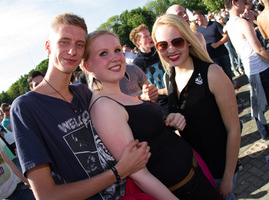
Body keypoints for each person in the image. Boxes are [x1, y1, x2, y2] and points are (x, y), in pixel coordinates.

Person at [10, 13, 150, 200]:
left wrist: (154, 109)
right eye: (64, 42)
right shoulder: (26, 108)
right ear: (48, 46)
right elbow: (46, 195)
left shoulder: (83, 93)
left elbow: (118, 124)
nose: (72, 51)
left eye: (79, 44)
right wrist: (118, 172)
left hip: (130, 192)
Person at [82, 29, 223, 200]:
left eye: (117, 50)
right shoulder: (104, 106)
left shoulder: (117, 94)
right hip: (182, 191)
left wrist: (167, 122)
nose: (115, 57)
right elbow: (138, 174)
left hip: (194, 176)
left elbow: (146, 133)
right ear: (88, 66)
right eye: (103, 53)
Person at [151, 14, 241, 200]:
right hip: (195, 171)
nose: (171, 50)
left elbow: (234, 129)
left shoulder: (212, 74)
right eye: (163, 45)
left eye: (177, 42)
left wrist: (227, 178)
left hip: (219, 171)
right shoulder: (170, 76)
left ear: (189, 41)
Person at [225, 0, 269, 141]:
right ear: (234, 2)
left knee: (257, 102)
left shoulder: (229, 25)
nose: (246, 4)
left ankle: (264, 132)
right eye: (243, 1)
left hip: (250, 68)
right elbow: (258, 48)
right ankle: (264, 132)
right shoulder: (240, 23)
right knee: (259, 101)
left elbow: (239, 49)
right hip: (260, 67)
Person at [130, 24, 169, 117]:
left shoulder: (159, 51)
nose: (150, 37)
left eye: (149, 34)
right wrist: (162, 91)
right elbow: (142, 90)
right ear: (138, 42)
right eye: (145, 36)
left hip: (174, 95)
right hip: (159, 104)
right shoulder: (137, 64)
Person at [193, 10, 234, 82]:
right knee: (219, 76)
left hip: (222, 53)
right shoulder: (198, 30)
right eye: (195, 20)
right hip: (212, 57)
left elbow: (226, 37)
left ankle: (232, 89)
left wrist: (217, 44)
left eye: (197, 19)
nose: (196, 21)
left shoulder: (215, 24)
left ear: (202, 16)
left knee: (228, 73)